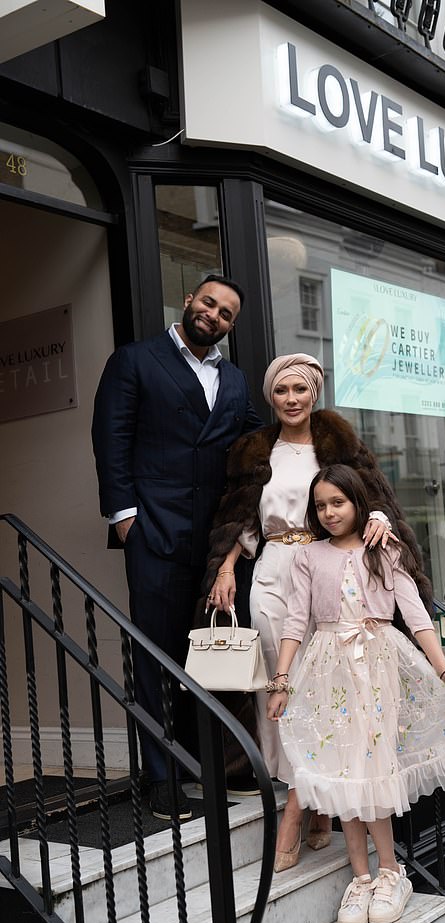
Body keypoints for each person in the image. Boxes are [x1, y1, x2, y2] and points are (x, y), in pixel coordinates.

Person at [203, 353, 433, 867]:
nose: (291, 399)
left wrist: (376, 516)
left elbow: (367, 499)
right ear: (271, 397)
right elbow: (245, 515)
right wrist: (226, 564)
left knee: (323, 690)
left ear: (314, 394)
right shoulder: (254, 450)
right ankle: (297, 787)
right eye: (282, 390)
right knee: (275, 686)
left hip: (326, 571)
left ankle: (309, 803)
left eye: (300, 389)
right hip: (271, 571)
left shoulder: (340, 445)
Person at [267, 464, 445, 923]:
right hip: (328, 672)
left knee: (374, 768)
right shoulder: (308, 556)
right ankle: (360, 878)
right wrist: (281, 680)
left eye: (337, 502)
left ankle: (390, 872)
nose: (329, 512)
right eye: (320, 506)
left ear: (358, 503)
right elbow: (295, 619)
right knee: (345, 772)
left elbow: (415, 613)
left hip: (378, 668)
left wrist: (443, 668)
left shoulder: (383, 547)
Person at [91, 274, 262, 820]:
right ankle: (160, 777)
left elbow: (265, 442)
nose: (213, 314)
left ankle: (205, 766)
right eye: (208, 302)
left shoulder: (233, 380)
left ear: (231, 327)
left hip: (214, 543)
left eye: (226, 313)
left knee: (209, 656)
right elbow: (110, 436)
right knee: (155, 655)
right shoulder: (135, 360)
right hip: (154, 532)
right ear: (189, 301)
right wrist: (124, 517)